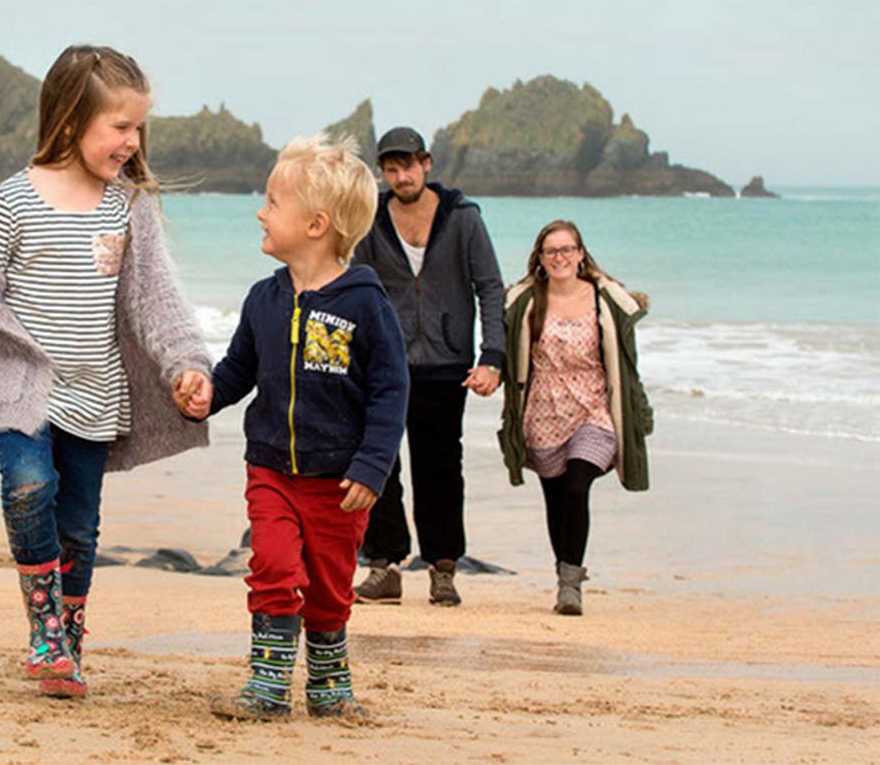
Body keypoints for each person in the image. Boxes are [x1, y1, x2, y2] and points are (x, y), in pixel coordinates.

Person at [0, 45, 212, 698]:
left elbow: (157, 299)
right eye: (119, 126)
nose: (132, 141)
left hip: (96, 395)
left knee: (78, 524)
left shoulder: (128, 207)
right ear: (71, 122)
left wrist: (186, 362)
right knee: (28, 486)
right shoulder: (12, 203)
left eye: (138, 128)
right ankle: (44, 629)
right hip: (20, 388)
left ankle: (66, 641)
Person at [176, 134, 408, 720]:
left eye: (274, 202)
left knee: (330, 588)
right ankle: (269, 686)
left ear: (316, 225)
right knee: (274, 566)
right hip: (272, 469)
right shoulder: (263, 299)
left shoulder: (364, 303)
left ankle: (330, 689)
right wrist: (207, 395)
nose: (261, 210)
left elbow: (390, 388)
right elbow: (237, 371)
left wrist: (374, 465)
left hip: (341, 481)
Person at [351, 126, 505, 607]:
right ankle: (384, 566)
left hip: (445, 362)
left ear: (427, 164)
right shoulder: (371, 220)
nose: (401, 177)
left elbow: (490, 287)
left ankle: (442, 567)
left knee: (440, 468)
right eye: (391, 169)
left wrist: (492, 357)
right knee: (380, 464)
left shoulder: (463, 218)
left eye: (408, 166)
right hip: (382, 363)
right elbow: (353, 285)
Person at [498, 219, 653, 615]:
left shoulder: (605, 299)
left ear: (581, 254)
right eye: (552, 251)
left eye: (567, 249)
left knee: (576, 485)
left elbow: (627, 364)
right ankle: (563, 576)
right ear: (541, 258)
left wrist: (638, 411)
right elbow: (505, 352)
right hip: (543, 408)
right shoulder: (525, 301)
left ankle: (573, 585)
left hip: (594, 405)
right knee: (555, 497)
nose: (560, 257)